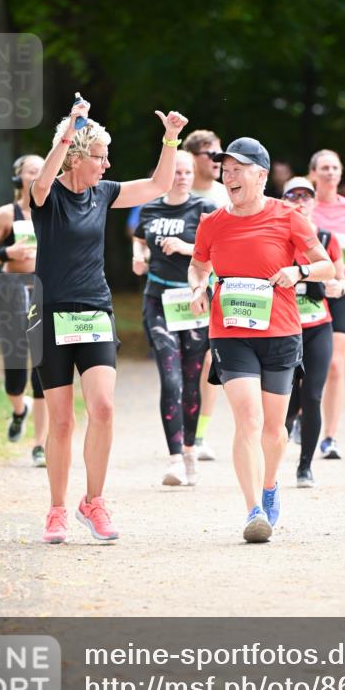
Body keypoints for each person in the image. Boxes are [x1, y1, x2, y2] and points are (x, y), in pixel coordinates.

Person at [29, 96, 188, 544]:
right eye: (99, 156)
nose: (106, 164)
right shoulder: (48, 195)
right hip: (49, 316)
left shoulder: (104, 193)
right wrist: (70, 128)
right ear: (76, 156)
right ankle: (56, 509)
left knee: (103, 407)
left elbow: (158, 184)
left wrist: (171, 138)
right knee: (60, 421)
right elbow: (42, 181)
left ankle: (92, 502)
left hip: (94, 310)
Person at [188, 137, 334, 543]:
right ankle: (253, 509)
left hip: (281, 331)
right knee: (247, 420)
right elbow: (198, 266)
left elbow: (326, 265)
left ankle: (270, 485)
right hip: (230, 331)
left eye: (238, 168)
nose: (228, 175)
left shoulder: (289, 217)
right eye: (225, 169)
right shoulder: (212, 222)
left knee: (274, 428)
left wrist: (299, 273)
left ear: (262, 175)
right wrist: (199, 288)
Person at [132, 150, 213, 487]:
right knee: (170, 378)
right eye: (176, 171)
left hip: (192, 299)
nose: (181, 176)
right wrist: (139, 256)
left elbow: (216, 252)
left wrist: (183, 247)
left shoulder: (204, 210)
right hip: (158, 299)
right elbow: (139, 238)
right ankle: (175, 458)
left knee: (192, 381)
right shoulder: (150, 207)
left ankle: (191, 448)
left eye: (187, 171)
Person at [0, 155, 48, 466]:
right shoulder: (7, 214)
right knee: (15, 371)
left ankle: (40, 445)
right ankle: (20, 409)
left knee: (44, 369)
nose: (38, 175)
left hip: (44, 290)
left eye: (43, 170)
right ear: (18, 178)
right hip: (11, 290)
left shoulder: (54, 209)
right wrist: (10, 252)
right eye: (32, 170)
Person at [281, 177, 345, 487]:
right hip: (284, 328)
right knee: (287, 399)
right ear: (283, 202)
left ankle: (305, 467)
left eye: (306, 196)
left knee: (313, 394)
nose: (300, 200)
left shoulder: (325, 237)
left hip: (318, 326)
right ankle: (275, 447)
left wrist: (337, 285)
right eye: (292, 195)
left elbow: (339, 274)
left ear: (313, 202)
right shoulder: (277, 237)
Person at [309, 149, 345, 459]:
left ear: (341, 173)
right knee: (303, 361)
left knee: (335, 365)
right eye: (324, 168)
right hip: (310, 289)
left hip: (342, 286)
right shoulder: (304, 207)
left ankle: (330, 437)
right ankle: (301, 415)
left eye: (335, 167)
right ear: (314, 173)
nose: (330, 173)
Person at [182, 128, 228, 461]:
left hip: (212, 286)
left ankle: (199, 435)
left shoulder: (226, 194)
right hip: (171, 289)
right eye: (210, 154)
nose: (217, 161)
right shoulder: (172, 191)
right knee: (184, 365)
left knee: (211, 359)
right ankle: (181, 432)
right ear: (193, 157)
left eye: (219, 154)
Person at [182, 129, 228, 208]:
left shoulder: (228, 196)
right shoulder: (173, 194)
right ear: (191, 157)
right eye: (212, 154)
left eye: (220, 154)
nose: (217, 159)